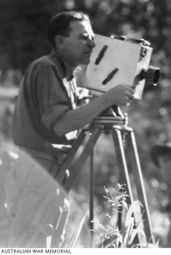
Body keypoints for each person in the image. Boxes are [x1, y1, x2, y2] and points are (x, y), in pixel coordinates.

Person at [8, 11, 135, 247]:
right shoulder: (47, 68)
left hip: (51, 167)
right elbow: (62, 124)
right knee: (31, 245)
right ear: (59, 41)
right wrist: (107, 99)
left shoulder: (66, 75)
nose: (92, 43)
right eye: (83, 37)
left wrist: (99, 99)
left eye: (92, 37)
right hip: (39, 168)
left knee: (51, 240)